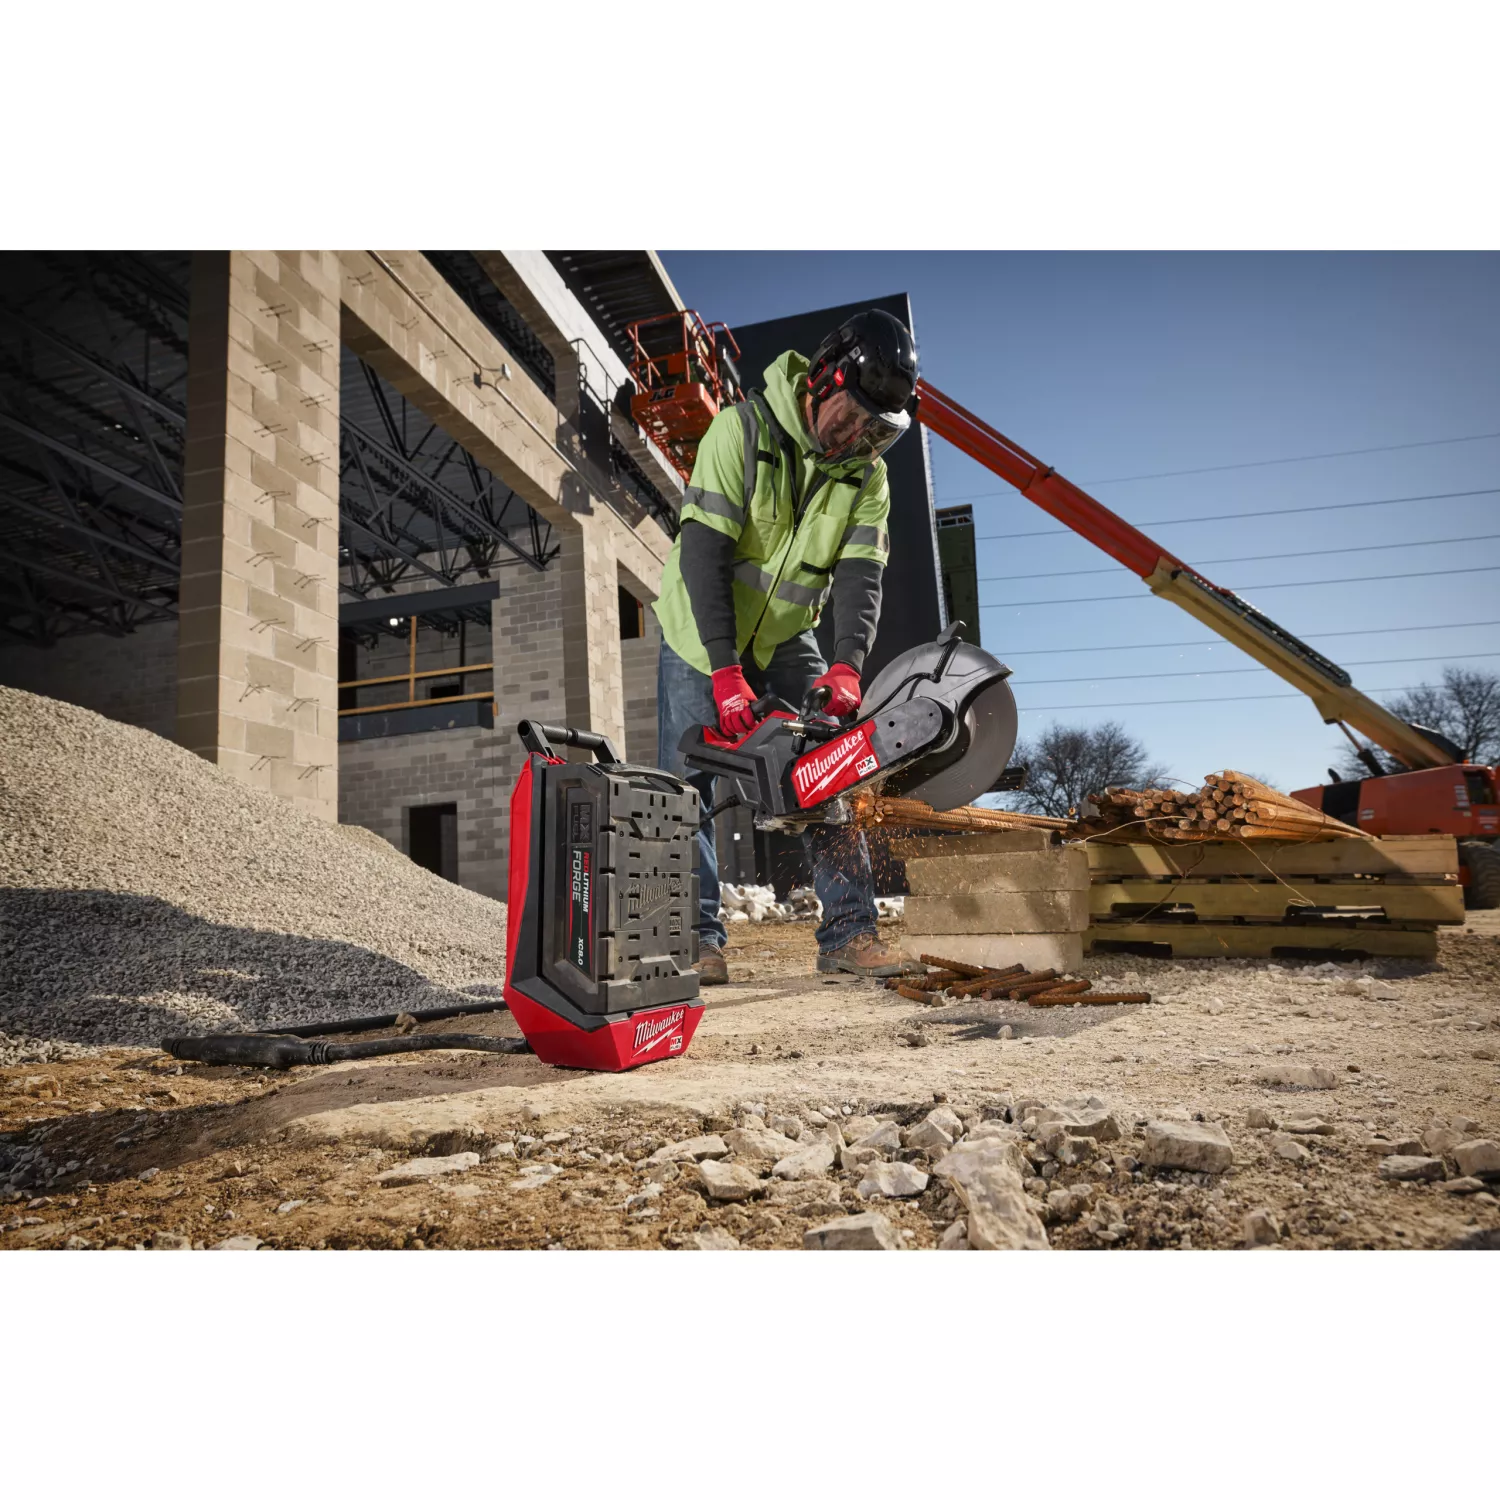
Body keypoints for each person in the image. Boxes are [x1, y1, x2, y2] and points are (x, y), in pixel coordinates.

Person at [654, 308, 923, 984]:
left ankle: (849, 935)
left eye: (873, 430)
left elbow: (862, 575)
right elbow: (705, 555)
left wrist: (847, 666)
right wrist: (724, 671)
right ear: (822, 381)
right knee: (687, 788)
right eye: (849, 418)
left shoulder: (867, 476)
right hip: (701, 633)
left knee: (833, 762)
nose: (855, 438)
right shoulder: (738, 432)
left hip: (784, 634)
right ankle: (697, 941)